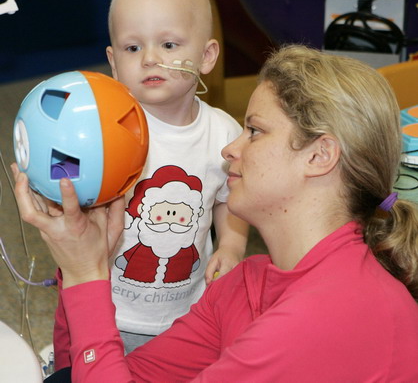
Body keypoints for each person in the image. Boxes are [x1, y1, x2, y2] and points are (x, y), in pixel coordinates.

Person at [14, 45, 418, 382]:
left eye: (255, 131)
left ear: (319, 155)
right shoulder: (247, 281)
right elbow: (120, 373)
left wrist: (87, 276)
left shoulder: (323, 315)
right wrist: (85, 264)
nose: (229, 149)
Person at [53, 0, 249, 364]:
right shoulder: (106, 129)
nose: (150, 58)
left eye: (169, 43)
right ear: (113, 61)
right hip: (105, 307)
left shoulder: (223, 132)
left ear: (207, 56)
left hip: (188, 312)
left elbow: (231, 197)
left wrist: (232, 243)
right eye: (131, 48)